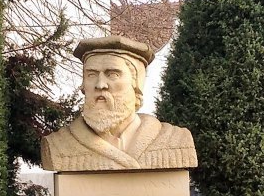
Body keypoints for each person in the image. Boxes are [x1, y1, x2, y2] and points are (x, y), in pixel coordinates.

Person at [40, 36, 196, 172]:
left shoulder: (175, 139)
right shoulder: (58, 144)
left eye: (112, 74)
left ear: (136, 85)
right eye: (92, 75)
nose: (100, 85)